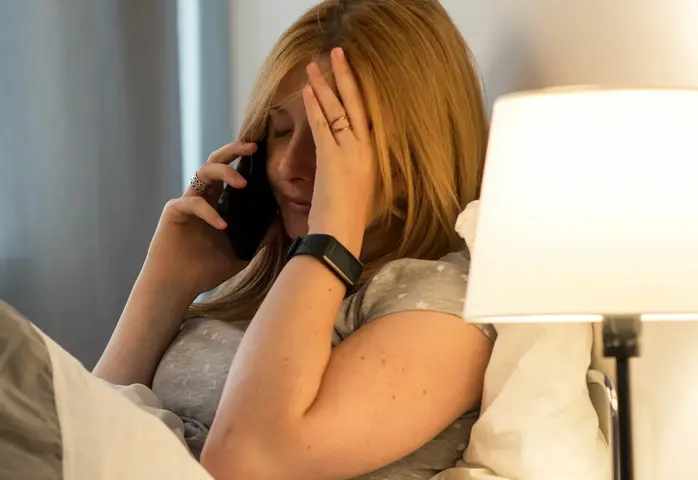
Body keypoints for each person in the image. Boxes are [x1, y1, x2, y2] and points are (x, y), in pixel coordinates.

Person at [94, 1, 495, 479]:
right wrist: (167, 281)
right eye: (281, 131)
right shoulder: (275, 285)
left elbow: (247, 461)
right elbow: (86, 430)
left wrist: (329, 240)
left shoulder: (445, 306)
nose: (289, 166)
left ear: (418, 149)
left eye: (332, 136)